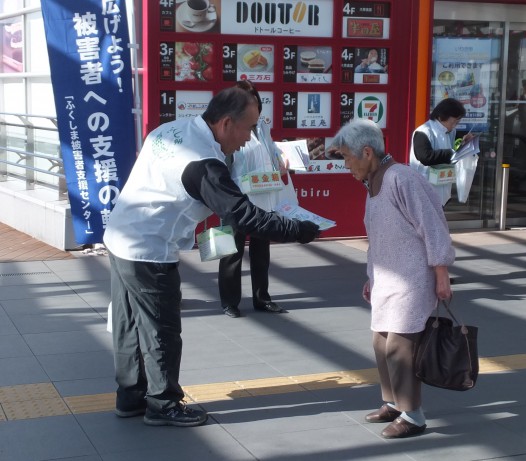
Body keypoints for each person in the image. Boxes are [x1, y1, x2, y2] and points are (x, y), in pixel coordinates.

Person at [102, 86, 320, 428]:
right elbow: (245, 217)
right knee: (162, 328)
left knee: (129, 323)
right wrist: (298, 230)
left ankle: (130, 396)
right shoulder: (202, 164)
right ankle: (163, 404)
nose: (249, 139)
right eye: (249, 128)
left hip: (121, 234)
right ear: (226, 122)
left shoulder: (175, 128)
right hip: (149, 248)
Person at [329, 118, 455, 439]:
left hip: (412, 277)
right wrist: (371, 276)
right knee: (381, 341)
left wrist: (441, 273)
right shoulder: (373, 182)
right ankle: (393, 402)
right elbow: (380, 238)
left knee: (400, 346)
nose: (346, 165)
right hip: (388, 278)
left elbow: (433, 225)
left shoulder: (402, 178)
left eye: (347, 157)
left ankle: (414, 415)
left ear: (367, 152)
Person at [219, 80, 288, 318]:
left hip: (263, 194)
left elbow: (270, 149)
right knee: (232, 252)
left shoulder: (262, 126)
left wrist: (280, 160)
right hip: (237, 196)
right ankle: (229, 302)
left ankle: (262, 297)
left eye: (255, 103)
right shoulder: (226, 127)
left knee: (261, 250)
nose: (253, 109)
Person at [409, 97, 474, 206]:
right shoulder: (424, 131)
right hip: (424, 192)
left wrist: (464, 143)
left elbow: (457, 144)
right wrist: (452, 153)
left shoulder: (451, 131)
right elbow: (425, 157)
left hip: (442, 190)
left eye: (457, 122)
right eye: (454, 122)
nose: (455, 126)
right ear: (442, 117)